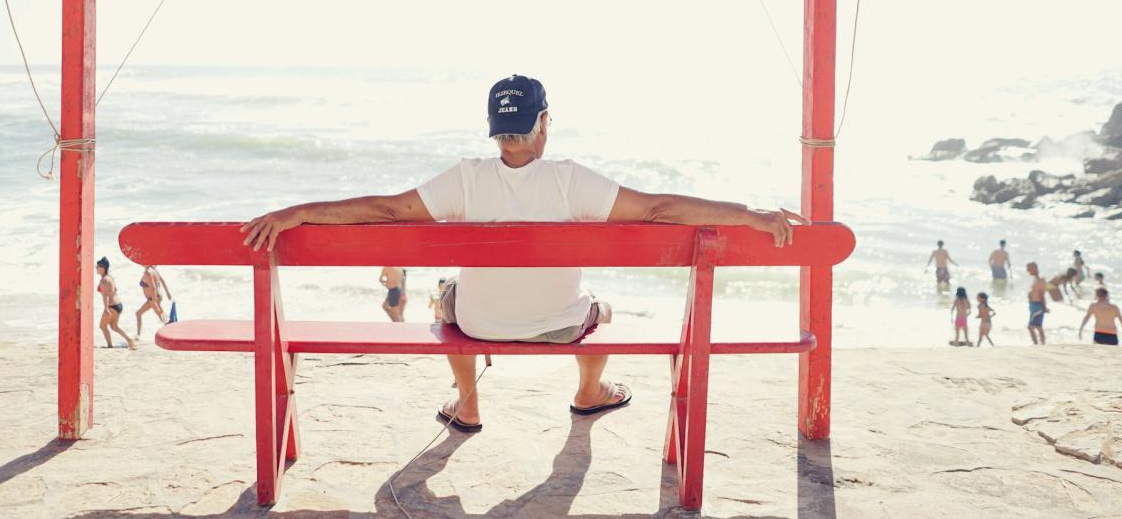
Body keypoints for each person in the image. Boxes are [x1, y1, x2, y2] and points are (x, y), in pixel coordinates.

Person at [240, 74, 804, 433]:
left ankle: (468, 404)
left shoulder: (463, 179)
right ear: (543, 123)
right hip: (558, 327)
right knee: (601, 308)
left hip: (478, 324)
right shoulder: (570, 182)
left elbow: (386, 210)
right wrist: (749, 214)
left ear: (496, 129)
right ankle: (589, 392)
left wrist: (298, 212)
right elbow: (659, 209)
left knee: (445, 298)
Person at [96, 257, 136, 350]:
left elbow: (105, 295)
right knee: (114, 326)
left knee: (102, 326)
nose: (96, 269)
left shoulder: (104, 280)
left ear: (103, 268)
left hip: (112, 306)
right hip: (118, 305)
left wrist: (106, 309)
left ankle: (110, 345)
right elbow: (115, 290)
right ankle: (130, 340)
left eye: (97, 267)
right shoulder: (110, 277)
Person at [135, 265, 173, 338]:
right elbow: (162, 281)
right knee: (162, 316)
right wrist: (168, 293)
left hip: (153, 298)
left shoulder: (148, 272)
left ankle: (138, 336)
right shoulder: (154, 270)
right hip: (157, 296)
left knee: (138, 314)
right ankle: (171, 329)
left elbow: (153, 287)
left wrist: (154, 301)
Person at [1026, 262, 1049, 345]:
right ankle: (1040, 344)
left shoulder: (1040, 280)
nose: (1027, 271)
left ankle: (1038, 344)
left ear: (1034, 268)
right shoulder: (1036, 279)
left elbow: (1042, 294)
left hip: (1037, 305)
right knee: (1037, 326)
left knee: (1033, 327)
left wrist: (1044, 307)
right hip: (1034, 305)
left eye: (1029, 268)